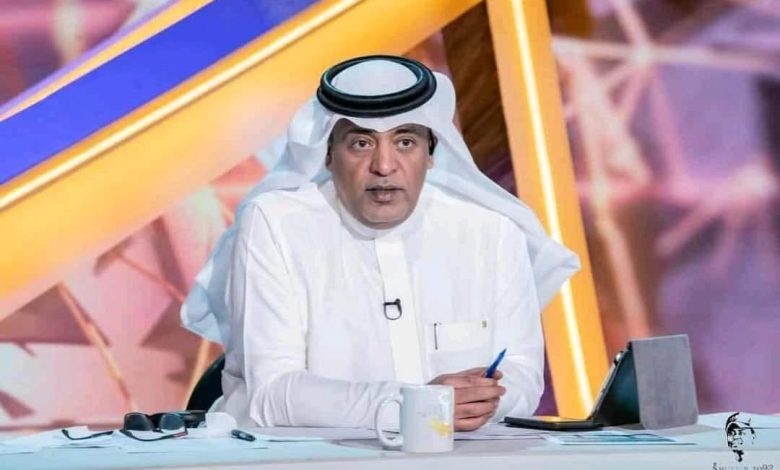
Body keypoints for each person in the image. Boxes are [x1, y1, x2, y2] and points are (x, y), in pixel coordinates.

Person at [181, 55, 580, 430]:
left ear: (431, 153)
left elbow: (522, 376)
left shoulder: (490, 232)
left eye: (405, 142)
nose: (384, 166)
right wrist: (411, 406)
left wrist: (480, 401)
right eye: (362, 143)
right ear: (327, 154)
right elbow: (270, 394)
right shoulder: (275, 224)